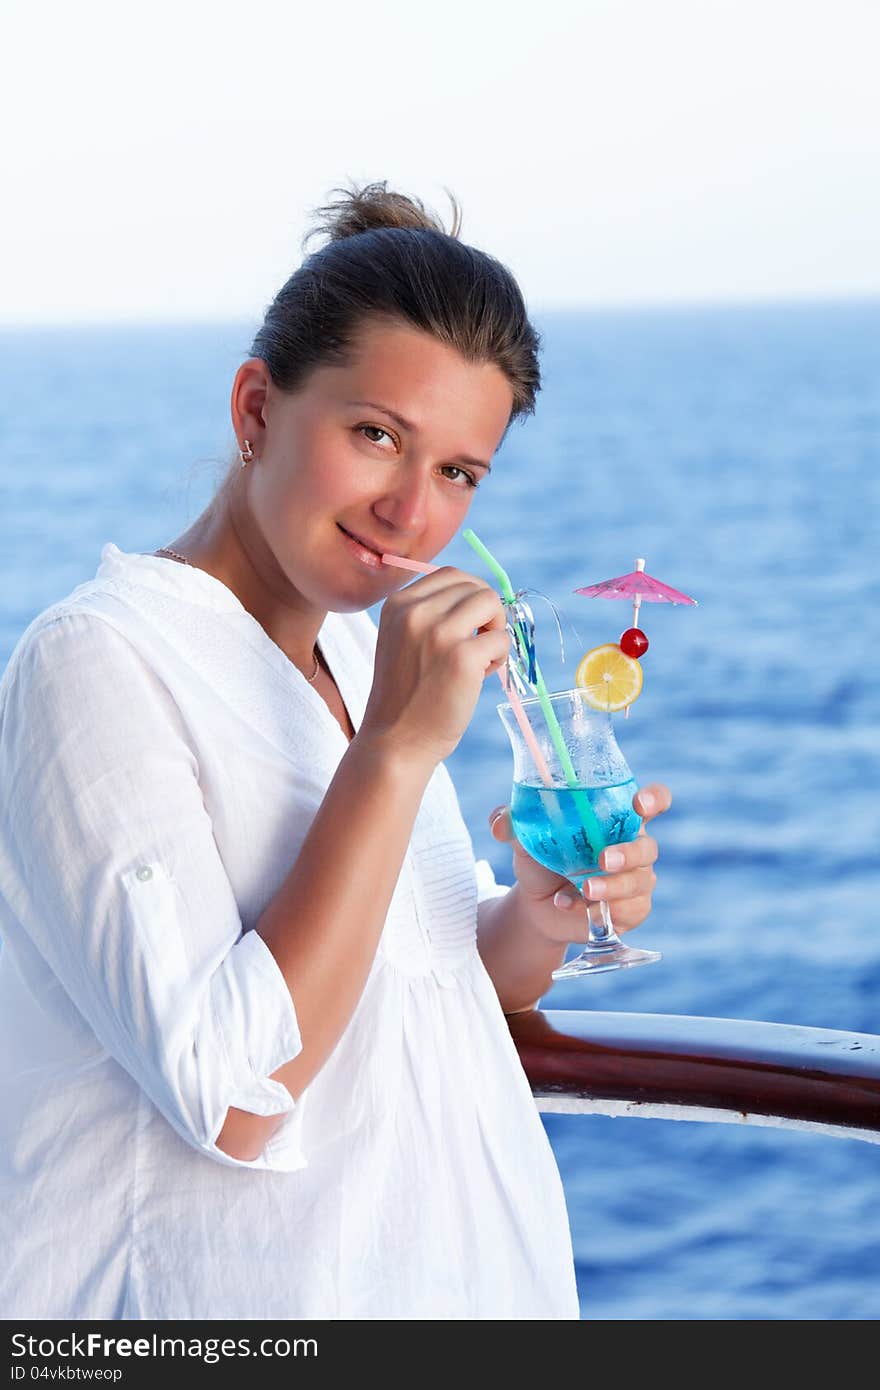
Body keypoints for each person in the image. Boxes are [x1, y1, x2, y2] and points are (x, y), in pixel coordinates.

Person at [0, 181, 670, 1320]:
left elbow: (434, 979)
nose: (413, 510)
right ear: (256, 411)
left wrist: (545, 910)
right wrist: (395, 758)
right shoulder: (100, 664)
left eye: (459, 471)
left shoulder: (364, 663)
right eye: (376, 436)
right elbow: (235, 1095)